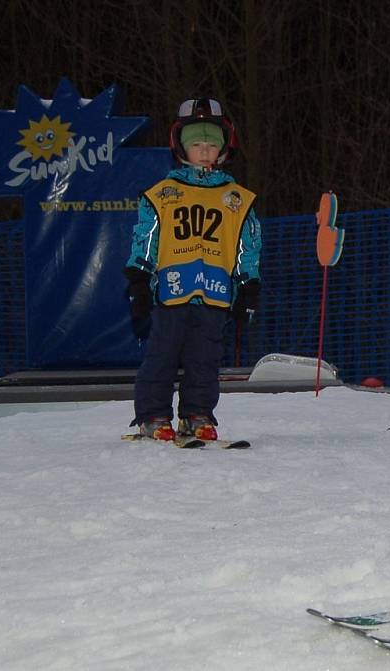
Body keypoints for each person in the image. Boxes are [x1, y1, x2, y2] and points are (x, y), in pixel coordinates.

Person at [124, 97, 262, 441]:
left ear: (223, 148)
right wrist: (139, 278)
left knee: (205, 358)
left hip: (215, 293)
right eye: (196, 144)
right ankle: (153, 414)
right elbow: (147, 238)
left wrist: (248, 286)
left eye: (211, 144)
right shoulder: (162, 194)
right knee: (162, 354)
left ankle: (196, 413)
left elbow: (247, 245)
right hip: (172, 291)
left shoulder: (236, 198)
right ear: (181, 146)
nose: (204, 151)